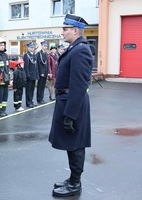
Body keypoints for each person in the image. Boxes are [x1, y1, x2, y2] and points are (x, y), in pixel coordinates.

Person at [49, 14, 93, 197]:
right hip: (66, 101)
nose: (62, 32)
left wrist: (70, 115)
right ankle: (73, 178)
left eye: (65, 29)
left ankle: (75, 183)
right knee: (70, 143)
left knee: (76, 145)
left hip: (72, 104)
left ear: (75, 30)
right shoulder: (74, 48)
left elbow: (79, 85)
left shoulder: (81, 50)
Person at [23, 42, 38, 108]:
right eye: (31, 47)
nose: (32, 48)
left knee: (32, 89)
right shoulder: (26, 55)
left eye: (33, 47)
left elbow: (36, 66)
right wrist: (27, 75)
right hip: (29, 75)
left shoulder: (34, 55)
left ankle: (31, 101)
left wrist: (36, 75)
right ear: (28, 48)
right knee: (28, 90)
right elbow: (26, 66)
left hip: (34, 75)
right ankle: (28, 102)